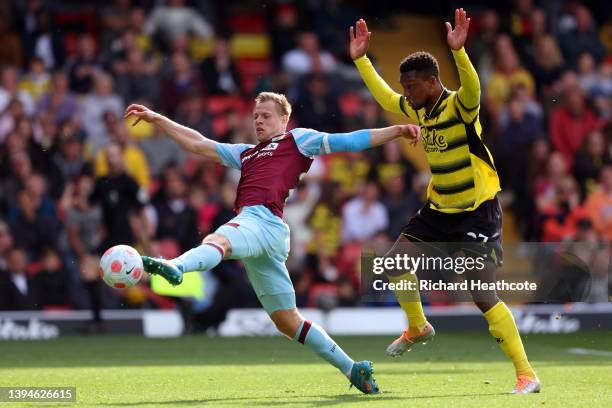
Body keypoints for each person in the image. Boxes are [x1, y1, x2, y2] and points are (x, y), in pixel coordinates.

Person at [124, 92, 422, 394]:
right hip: (265, 234)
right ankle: (353, 369)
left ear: (284, 119)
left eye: (266, 115)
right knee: (287, 322)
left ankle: (174, 266)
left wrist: (396, 131)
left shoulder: (297, 140)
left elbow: (348, 140)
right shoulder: (247, 154)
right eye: (255, 117)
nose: (259, 121)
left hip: (261, 220)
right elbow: (198, 143)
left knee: (219, 239)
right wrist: (158, 119)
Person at [349, 8, 540, 394]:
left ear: (433, 82)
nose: (406, 93)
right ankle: (418, 327)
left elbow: (473, 89)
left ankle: (527, 374)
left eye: (412, 87)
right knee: (392, 263)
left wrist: (459, 53)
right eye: (405, 87)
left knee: (482, 293)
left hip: (477, 211)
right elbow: (386, 97)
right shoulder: (415, 106)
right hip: (439, 209)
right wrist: (362, 60)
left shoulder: (459, 106)